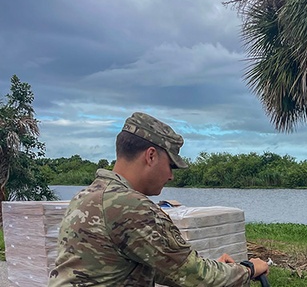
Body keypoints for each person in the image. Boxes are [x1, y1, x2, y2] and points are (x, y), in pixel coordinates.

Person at [48, 112, 268, 286]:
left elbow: (162, 266)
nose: (171, 175)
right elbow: (194, 276)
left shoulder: (87, 196)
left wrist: (213, 268)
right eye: (171, 165)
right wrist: (248, 269)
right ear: (151, 156)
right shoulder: (129, 206)